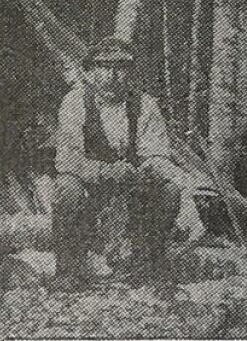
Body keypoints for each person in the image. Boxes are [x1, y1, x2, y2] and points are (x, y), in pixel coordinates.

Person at [52, 37, 184, 289]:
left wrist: (149, 170)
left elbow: (156, 154)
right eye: (104, 68)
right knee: (66, 188)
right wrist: (104, 171)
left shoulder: (145, 104)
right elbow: (67, 159)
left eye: (120, 68)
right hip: (91, 186)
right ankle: (68, 270)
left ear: (130, 72)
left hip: (132, 185)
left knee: (169, 192)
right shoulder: (75, 102)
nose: (112, 76)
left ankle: (148, 264)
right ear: (90, 72)